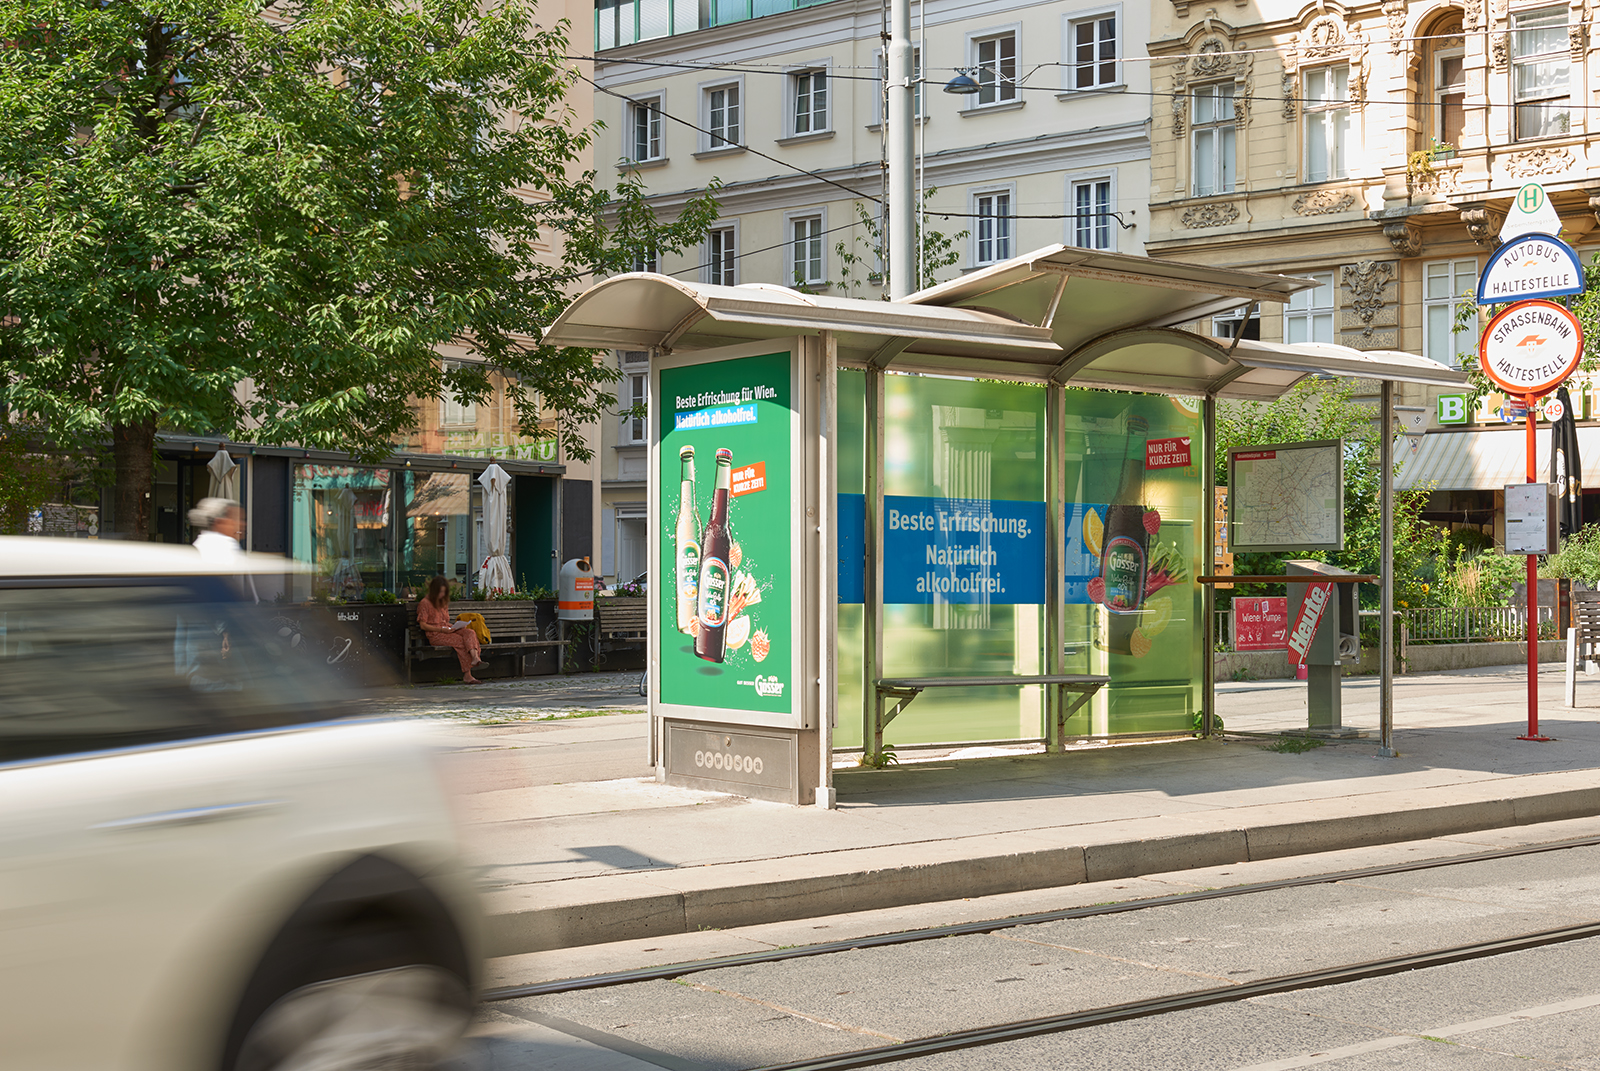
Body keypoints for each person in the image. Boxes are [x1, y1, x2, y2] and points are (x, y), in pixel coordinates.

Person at [188, 497, 258, 603]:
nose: (243, 524)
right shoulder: (227, 547)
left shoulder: (199, 544)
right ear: (220, 522)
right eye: (237, 519)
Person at [418, 575, 483, 684]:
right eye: (440, 592)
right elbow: (423, 625)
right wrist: (442, 630)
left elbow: (445, 621)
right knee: (461, 641)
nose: (442, 594)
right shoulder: (425, 603)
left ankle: (475, 657)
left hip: (447, 629)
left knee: (470, 632)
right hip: (436, 634)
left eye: (444, 592)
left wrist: (457, 626)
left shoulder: (443, 602)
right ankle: (468, 675)